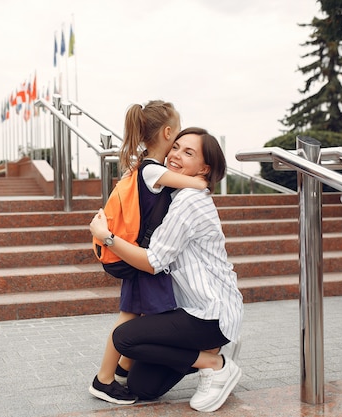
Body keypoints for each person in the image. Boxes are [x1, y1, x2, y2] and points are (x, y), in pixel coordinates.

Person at [89, 127, 243, 413]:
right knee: (143, 387)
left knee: (124, 337)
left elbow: (152, 261)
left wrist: (107, 237)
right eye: (176, 147)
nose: (175, 155)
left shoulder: (189, 201)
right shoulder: (178, 194)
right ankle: (210, 350)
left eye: (188, 153)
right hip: (191, 311)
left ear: (204, 167)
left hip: (210, 313)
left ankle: (215, 364)